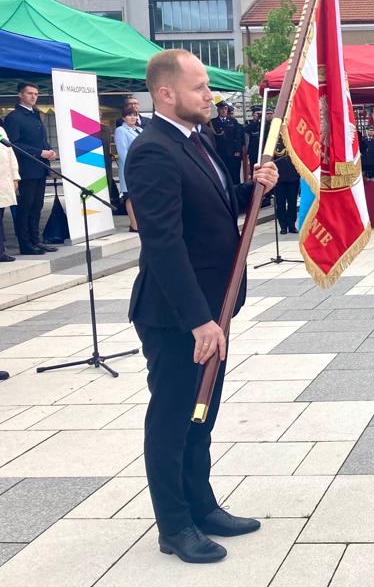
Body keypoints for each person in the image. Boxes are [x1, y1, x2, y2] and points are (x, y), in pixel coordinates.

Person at [124, 49, 278, 564]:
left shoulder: (198, 139)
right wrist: (198, 322)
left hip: (215, 308)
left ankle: (202, 507)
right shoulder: (151, 151)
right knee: (172, 419)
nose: (210, 96)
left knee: (201, 415)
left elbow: (212, 205)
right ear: (165, 94)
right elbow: (163, 244)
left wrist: (251, 188)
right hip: (177, 317)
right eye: (199, 88)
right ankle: (174, 526)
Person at [4, 81, 59, 255]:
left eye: (36, 94)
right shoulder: (14, 117)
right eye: (29, 93)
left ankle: (36, 240)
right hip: (26, 170)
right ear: (20, 95)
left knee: (37, 206)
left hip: (40, 167)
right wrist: (39, 152)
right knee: (25, 208)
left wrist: (49, 151)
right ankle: (26, 244)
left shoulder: (36, 114)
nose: (34, 96)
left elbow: (41, 140)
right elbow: (13, 144)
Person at [114, 109, 144, 232]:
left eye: (135, 115)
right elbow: (122, 152)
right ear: (124, 118)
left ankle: (141, 223)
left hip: (142, 167)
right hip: (130, 168)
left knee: (141, 195)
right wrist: (133, 166)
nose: (133, 118)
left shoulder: (140, 130)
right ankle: (134, 224)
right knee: (130, 196)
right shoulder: (121, 130)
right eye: (129, 115)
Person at [210, 103, 245, 184]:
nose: (223, 111)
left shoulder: (233, 121)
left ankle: (236, 190)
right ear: (218, 110)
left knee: (234, 174)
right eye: (221, 109)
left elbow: (237, 137)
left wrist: (237, 150)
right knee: (222, 175)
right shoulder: (213, 122)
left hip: (232, 153)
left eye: (225, 109)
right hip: (219, 152)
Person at [0, 123, 19, 262]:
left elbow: (10, 154)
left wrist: (15, 176)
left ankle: (1, 251)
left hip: (3, 181)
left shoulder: (1, 130)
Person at [273, 138, 300, 233]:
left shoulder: (294, 140)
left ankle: (292, 225)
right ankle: (283, 226)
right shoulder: (274, 141)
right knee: (280, 203)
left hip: (293, 177)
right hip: (279, 178)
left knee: (292, 203)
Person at [244, 106, 267, 179]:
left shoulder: (264, 123)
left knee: (263, 168)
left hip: (262, 149)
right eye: (256, 114)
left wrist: (260, 121)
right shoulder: (249, 122)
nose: (257, 116)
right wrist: (256, 121)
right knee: (253, 167)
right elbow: (247, 130)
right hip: (253, 150)